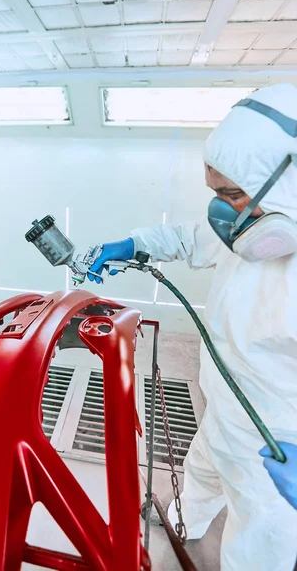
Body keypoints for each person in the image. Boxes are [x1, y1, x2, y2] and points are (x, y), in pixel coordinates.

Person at [88, 84, 297, 571]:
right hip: (225, 403)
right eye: (215, 193)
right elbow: (189, 238)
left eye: (231, 194)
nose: (223, 211)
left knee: (259, 541)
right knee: (202, 470)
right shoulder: (248, 229)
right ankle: (183, 519)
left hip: (279, 443)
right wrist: (131, 244)